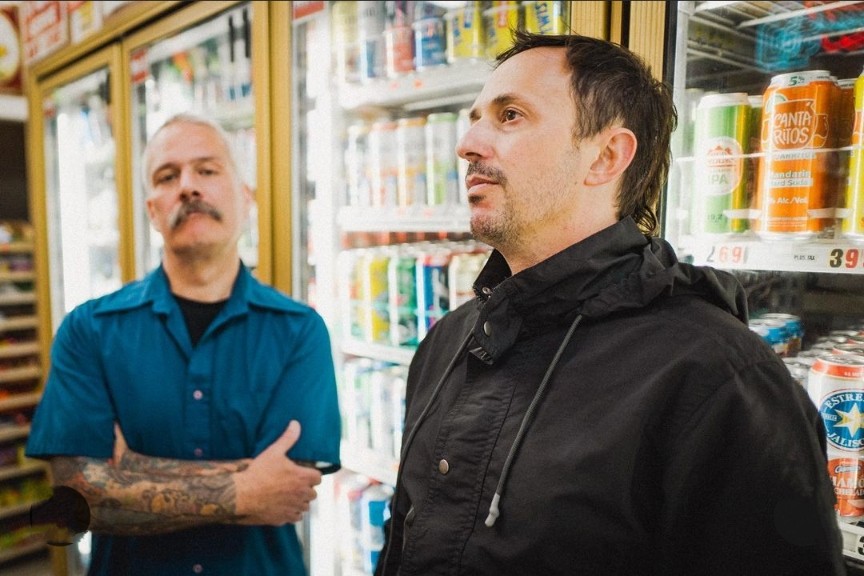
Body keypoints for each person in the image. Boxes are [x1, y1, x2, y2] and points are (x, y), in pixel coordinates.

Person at [375, 30, 845, 576]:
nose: (468, 143)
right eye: (475, 118)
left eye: (510, 116)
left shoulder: (720, 379)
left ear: (606, 157)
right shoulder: (449, 341)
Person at [26, 113, 341, 575]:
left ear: (246, 198)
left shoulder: (300, 331)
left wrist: (128, 469)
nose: (188, 186)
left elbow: (288, 488)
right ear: (152, 210)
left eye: (207, 170)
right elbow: (79, 496)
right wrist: (246, 490)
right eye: (167, 176)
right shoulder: (88, 329)